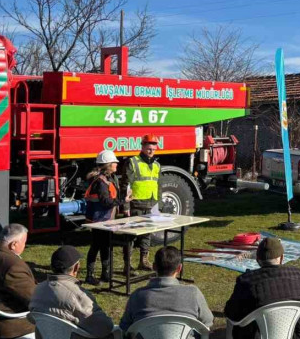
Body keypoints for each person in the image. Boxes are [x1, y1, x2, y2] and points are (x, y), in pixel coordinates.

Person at [224, 238, 300, 339]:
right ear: (282, 258)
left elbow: (231, 312)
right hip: (293, 334)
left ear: (258, 260)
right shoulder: (299, 275)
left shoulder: (246, 281)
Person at [120, 246, 213, 331]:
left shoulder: (137, 296)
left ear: (154, 266)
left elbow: (125, 326)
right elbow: (208, 321)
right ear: (179, 268)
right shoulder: (193, 293)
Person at [30, 246, 115, 338]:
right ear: (76, 268)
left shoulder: (38, 289)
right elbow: (106, 326)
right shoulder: (77, 295)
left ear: (52, 267)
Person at [84, 150, 130, 285]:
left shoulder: (106, 179)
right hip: (99, 221)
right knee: (96, 246)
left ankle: (105, 273)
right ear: (108, 165)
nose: (117, 163)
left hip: (104, 219)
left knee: (105, 246)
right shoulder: (101, 182)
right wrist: (123, 201)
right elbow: (106, 202)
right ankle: (89, 275)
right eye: (114, 162)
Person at [123, 134, 161, 272]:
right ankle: (127, 265)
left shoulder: (156, 165)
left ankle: (143, 261)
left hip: (150, 205)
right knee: (131, 236)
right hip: (135, 204)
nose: (151, 151)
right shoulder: (133, 162)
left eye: (154, 148)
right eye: (149, 148)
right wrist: (126, 206)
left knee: (147, 234)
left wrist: (158, 205)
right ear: (143, 147)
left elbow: (158, 185)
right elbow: (126, 185)